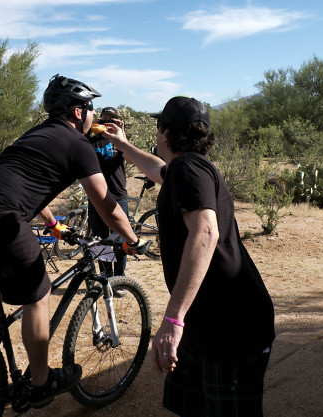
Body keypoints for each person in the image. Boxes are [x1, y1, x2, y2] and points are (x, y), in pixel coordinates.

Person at [0, 74, 146, 408]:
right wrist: (133, 240)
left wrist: (52, 223)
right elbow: (106, 205)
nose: (94, 115)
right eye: (90, 108)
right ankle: (40, 382)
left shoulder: (37, 133)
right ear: (78, 112)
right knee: (39, 293)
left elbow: (24, 182)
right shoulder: (79, 145)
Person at [102, 96, 275, 416]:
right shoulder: (189, 168)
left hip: (232, 329)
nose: (156, 136)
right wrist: (121, 144)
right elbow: (158, 169)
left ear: (166, 133)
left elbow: (205, 232)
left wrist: (172, 320)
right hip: (207, 324)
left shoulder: (187, 169)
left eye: (158, 129)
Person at [87, 106, 129, 276]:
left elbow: (129, 157)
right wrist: (92, 124)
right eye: (103, 118)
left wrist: (121, 132)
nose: (106, 121)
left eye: (110, 119)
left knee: (120, 238)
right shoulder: (90, 141)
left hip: (118, 195)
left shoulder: (118, 140)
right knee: (99, 240)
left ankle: (119, 278)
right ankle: (106, 275)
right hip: (96, 197)